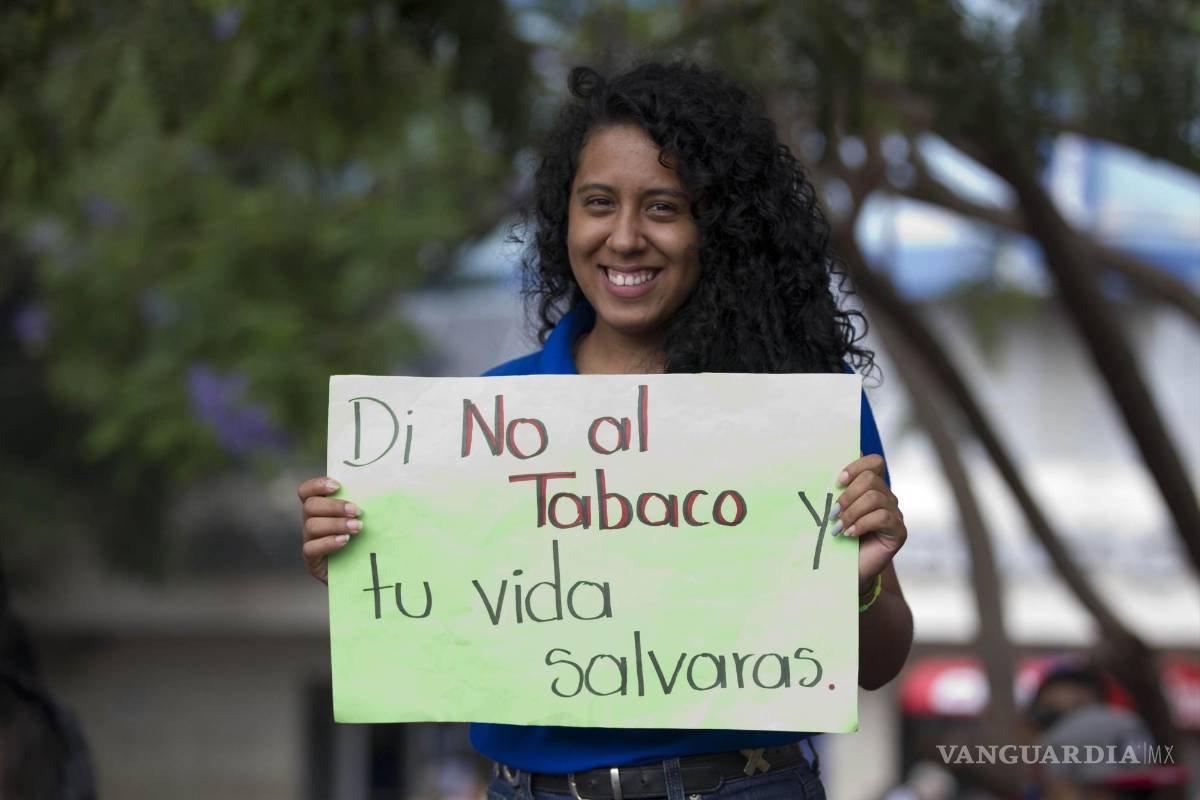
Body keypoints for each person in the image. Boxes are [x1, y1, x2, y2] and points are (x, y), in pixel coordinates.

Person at [298, 60, 914, 799]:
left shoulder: (802, 417)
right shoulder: (484, 420)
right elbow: (428, 632)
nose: (624, 238)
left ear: (716, 227)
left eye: (662, 207)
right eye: (598, 203)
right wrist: (364, 559)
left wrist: (861, 588)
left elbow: (877, 666)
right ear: (564, 217)